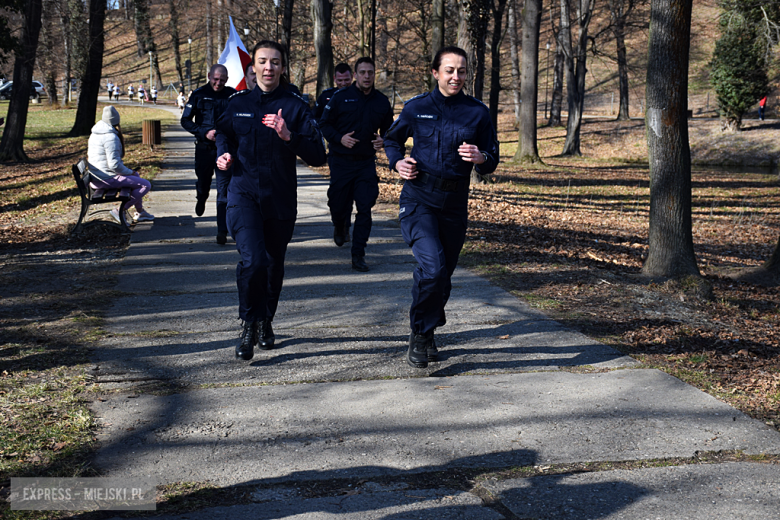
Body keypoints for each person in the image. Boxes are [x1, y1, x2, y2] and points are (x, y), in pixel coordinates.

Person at [384, 46, 499, 369]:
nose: (456, 77)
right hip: (419, 198)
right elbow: (392, 140)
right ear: (435, 72)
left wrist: (481, 158)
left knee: (443, 277)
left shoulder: (477, 112)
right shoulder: (416, 107)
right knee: (432, 268)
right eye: (449, 70)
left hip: (454, 203)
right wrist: (398, 162)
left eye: (462, 71)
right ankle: (420, 334)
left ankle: (429, 327)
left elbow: (492, 156)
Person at [215, 40, 326, 361]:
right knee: (254, 261)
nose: (268, 68)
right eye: (262, 62)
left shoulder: (295, 106)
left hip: (279, 198)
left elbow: (319, 155)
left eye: (275, 62)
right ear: (253, 68)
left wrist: (288, 135)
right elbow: (223, 133)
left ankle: (267, 320)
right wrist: (224, 154)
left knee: (274, 264)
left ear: (282, 68)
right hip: (243, 193)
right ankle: (249, 323)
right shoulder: (237, 102)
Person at [319, 57, 394, 272]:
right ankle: (340, 224)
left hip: (365, 164)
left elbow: (390, 130)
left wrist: (385, 140)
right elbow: (323, 124)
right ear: (355, 75)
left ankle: (358, 253)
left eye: (370, 72)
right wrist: (339, 138)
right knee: (338, 203)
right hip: (341, 161)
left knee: (365, 208)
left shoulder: (381, 101)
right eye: (362, 72)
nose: (367, 77)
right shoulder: (340, 97)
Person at [181, 64, 236, 244]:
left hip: (225, 150)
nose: (218, 83)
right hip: (204, 148)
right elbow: (186, 121)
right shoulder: (198, 94)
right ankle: (201, 197)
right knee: (203, 182)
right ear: (209, 76)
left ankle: (222, 230)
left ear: (226, 80)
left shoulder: (232, 95)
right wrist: (204, 132)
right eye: (215, 79)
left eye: (222, 80)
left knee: (224, 191)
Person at [87, 106, 154, 223]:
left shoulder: (96, 132)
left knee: (136, 176)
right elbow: (114, 165)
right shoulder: (111, 137)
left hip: (98, 177)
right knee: (145, 185)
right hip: (105, 179)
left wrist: (131, 173)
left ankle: (140, 212)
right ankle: (119, 210)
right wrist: (129, 172)